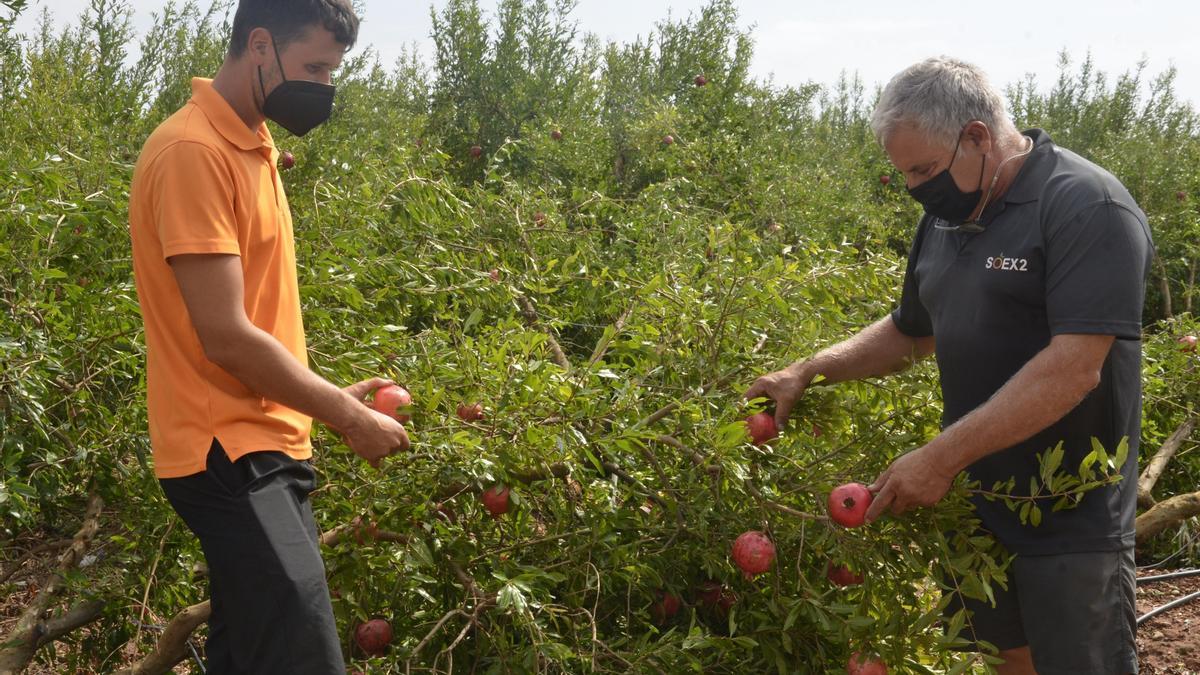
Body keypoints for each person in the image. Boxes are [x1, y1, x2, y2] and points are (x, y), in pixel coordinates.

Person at [747, 57, 1151, 675]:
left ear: (978, 137)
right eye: (905, 174)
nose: (915, 188)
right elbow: (912, 332)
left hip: (1071, 512)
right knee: (1004, 659)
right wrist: (809, 369)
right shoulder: (945, 218)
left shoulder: (1085, 206)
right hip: (973, 502)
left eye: (925, 170)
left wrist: (938, 457)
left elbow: (1074, 368)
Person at [128, 1, 409, 671]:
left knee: (252, 649)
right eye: (313, 66)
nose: (323, 87)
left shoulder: (251, 146)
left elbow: (255, 313)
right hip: (225, 451)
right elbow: (225, 336)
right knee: (303, 654)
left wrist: (313, 397)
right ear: (259, 45)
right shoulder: (193, 151)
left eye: (332, 71)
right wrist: (347, 417)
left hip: (264, 443)